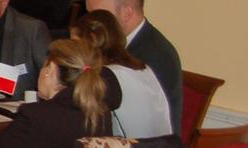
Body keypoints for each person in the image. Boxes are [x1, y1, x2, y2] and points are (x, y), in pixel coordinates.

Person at [85, 0, 182, 130]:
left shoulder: (156, 54)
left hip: (148, 142)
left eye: (99, 15)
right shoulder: (117, 43)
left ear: (127, 13)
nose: (90, 24)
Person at [70, 9, 172, 139]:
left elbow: (84, 123)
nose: (72, 51)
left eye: (75, 44)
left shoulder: (106, 77)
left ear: (93, 39)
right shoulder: (142, 68)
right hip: (163, 147)